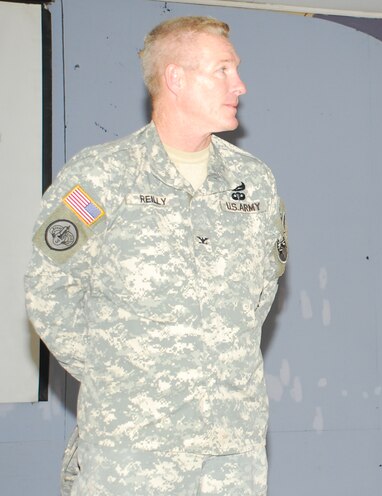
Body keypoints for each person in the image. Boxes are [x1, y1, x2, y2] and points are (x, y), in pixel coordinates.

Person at [25, 16, 287, 495]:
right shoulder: (100, 177)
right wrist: (122, 372)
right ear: (175, 78)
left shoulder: (255, 184)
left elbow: (261, 293)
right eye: (223, 70)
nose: (240, 85)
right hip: (132, 448)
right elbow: (50, 291)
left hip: (231, 448)